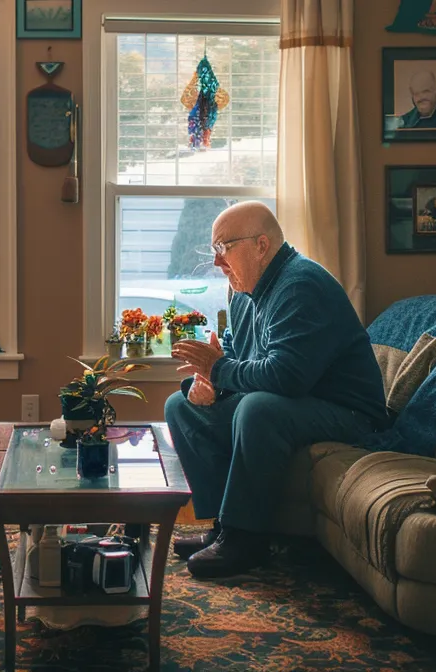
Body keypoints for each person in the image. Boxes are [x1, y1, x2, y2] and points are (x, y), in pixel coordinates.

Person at [167, 202, 389, 578]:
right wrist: (209, 386)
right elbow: (238, 354)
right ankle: (223, 525)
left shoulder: (301, 284)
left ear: (261, 245)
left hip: (349, 415)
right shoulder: (241, 292)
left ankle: (247, 539)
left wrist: (218, 371)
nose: (218, 263)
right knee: (180, 405)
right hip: (298, 404)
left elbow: (286, 377)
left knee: (258, 409)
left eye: (224, 248)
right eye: (214, 251)